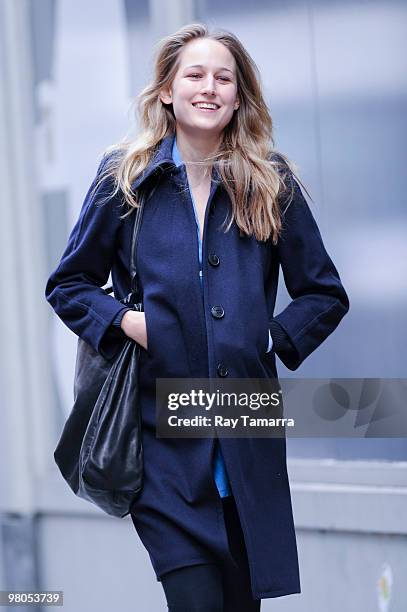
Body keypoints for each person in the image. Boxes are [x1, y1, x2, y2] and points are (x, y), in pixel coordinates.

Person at [45, 22, 349, 611]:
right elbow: (69, 283)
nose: (209, 88)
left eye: (224, 78)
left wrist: (269, 338)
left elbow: (325, 293)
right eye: (195, 75)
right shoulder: (124, 180)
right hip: (161, 446)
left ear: (238, 95)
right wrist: (128, 323)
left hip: (247, 435)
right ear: (166, 90)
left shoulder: (270, 181)